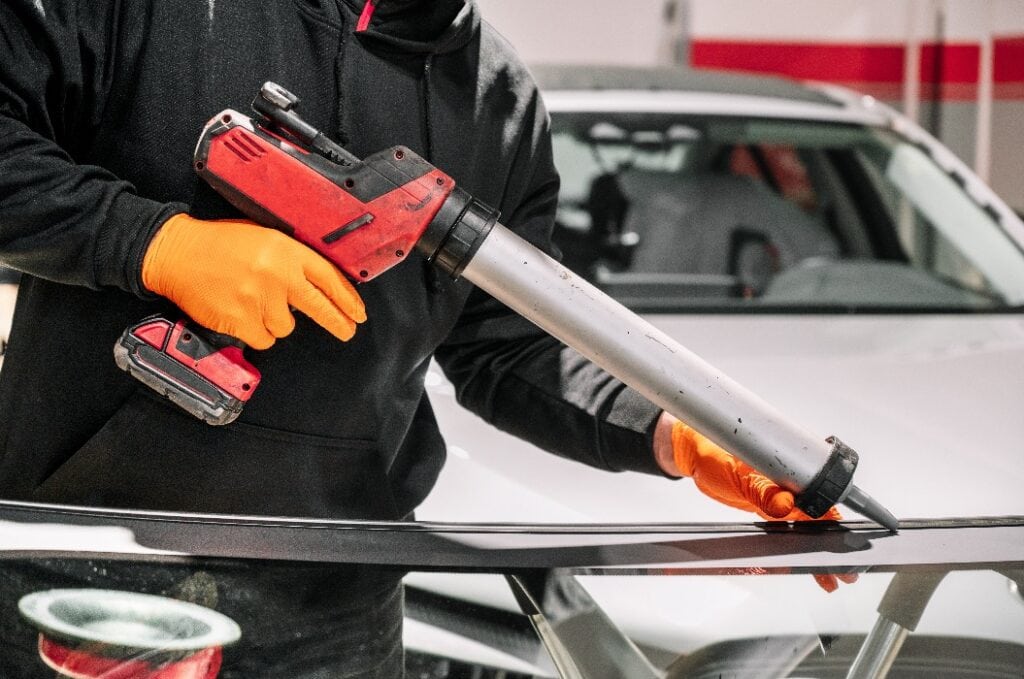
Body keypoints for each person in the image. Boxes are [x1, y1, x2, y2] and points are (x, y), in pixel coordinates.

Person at [0, 1, 843, 676]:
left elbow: (506, 345)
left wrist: (672, 430)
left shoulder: (497, 101)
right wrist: (151, 242)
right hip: (82, 565)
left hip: (334, 609)